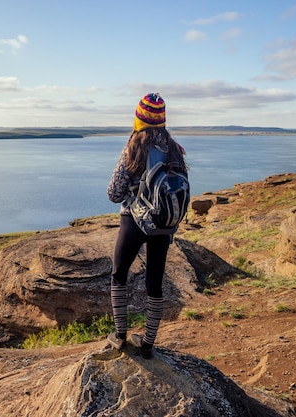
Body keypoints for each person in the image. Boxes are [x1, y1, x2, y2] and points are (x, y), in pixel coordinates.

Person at [106, 92, 187, 359]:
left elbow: (114, 193)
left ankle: (119, 336)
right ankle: (148, 344)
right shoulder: (174, 148)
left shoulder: (134, 145)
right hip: (164, 224)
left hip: (134, 219)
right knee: (155, 283)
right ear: (162, 118)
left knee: (119, 274)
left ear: (139, 117)